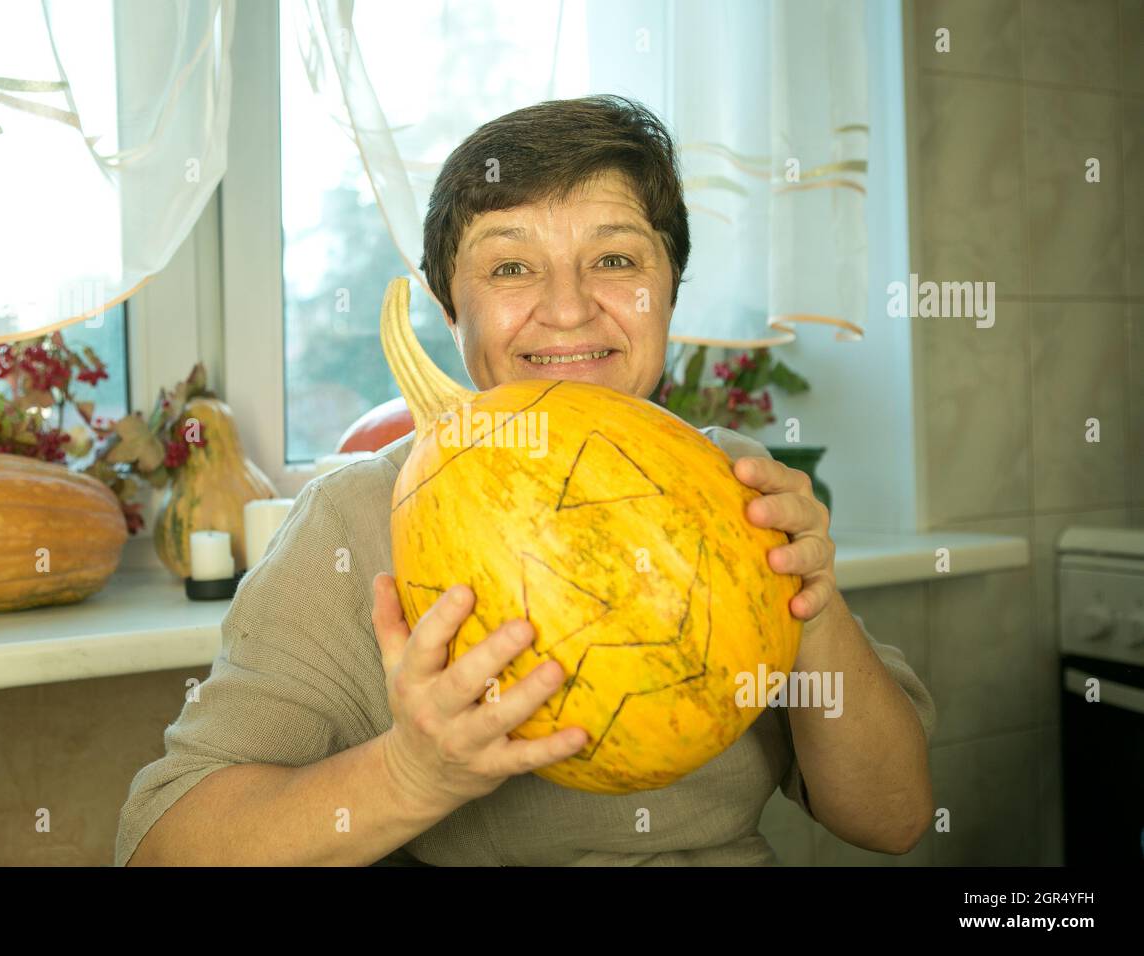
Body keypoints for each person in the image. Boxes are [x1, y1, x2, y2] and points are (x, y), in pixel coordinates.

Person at [117, 94, 935, 867]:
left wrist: (812, 609)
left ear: (670, 292)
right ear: (450, 310)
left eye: (614, 258)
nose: (569, 309)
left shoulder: (737, 479)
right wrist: (409, 776)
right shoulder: (355, 517)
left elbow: (893, 820)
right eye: (511, 268)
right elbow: (162, 847)